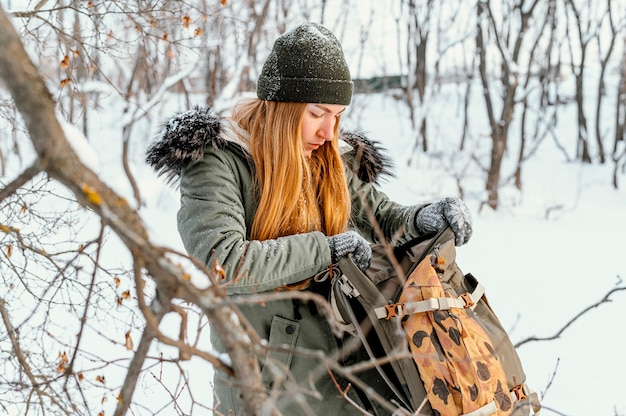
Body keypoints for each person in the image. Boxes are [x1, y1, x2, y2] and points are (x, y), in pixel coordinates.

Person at [147, 22, 472, 415]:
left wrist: (425, 218)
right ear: (282, 107)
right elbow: (223, 262)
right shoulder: (218, 162)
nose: (329, 130)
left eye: (337, 115)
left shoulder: (327, 157)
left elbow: (380, 216)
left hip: (353, 376)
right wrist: (325, 250)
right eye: (317, 113)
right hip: (270, 384)